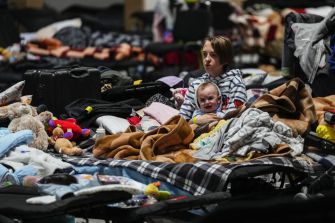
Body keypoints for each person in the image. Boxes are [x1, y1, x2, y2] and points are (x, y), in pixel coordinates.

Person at [179, 35, 247, 125]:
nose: (206, 59)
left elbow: (234, 117)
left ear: (226, 59)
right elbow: (182, 120)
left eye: (213, 55)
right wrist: (195, 121)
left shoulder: (235, 82)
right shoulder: (196, 84)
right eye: (204, 54)